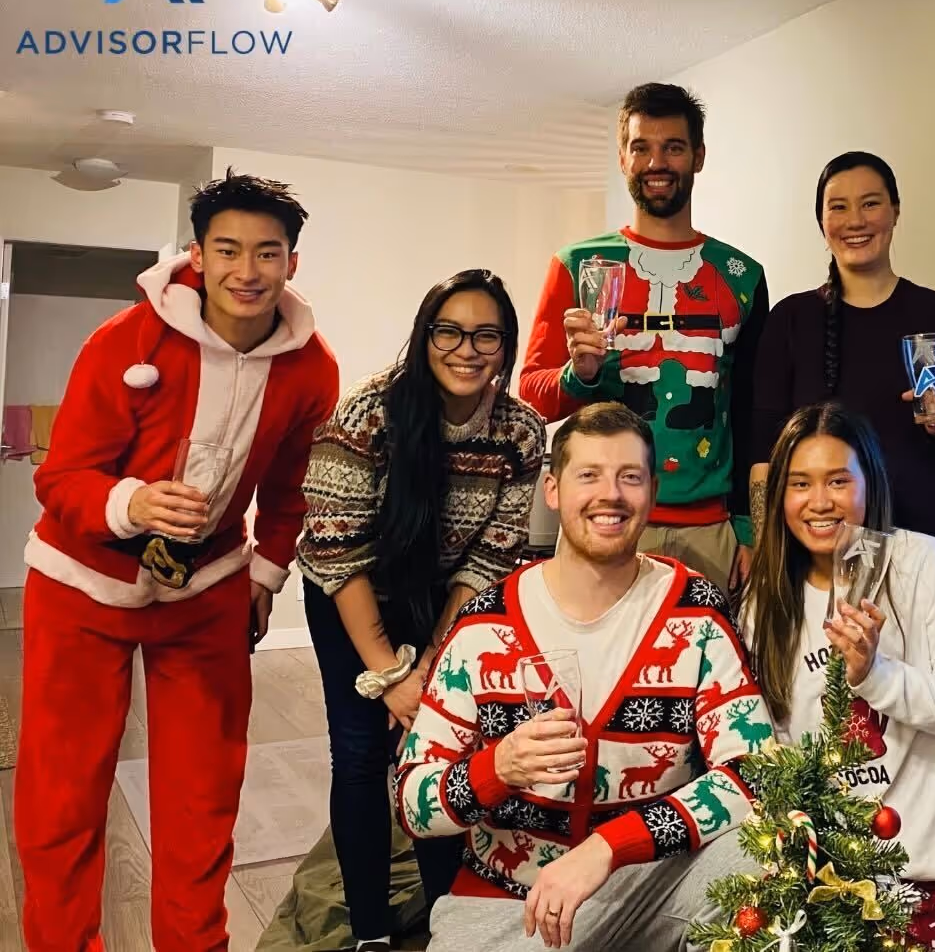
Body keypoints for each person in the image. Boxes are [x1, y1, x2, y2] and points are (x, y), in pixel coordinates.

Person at [14, 169, 339, 951]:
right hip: (77, 588)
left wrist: (265, 575)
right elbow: (59, 477)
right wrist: (131, 502)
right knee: (63, 798)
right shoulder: (122, 341)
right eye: (228, 249)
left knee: (203, 800)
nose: (247, 271)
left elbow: (295, 492)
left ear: (292, 261)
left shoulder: (312, 369)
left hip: (208, 592)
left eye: (268, 252)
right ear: (198, 252)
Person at [395, 402, 771, 951]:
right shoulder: (483, 625)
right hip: (508, 906)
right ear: (553, 490)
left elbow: (754, 772)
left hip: (647, 891)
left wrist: (609, 848)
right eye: (589, 475)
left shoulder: (696, 613)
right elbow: (411, 802)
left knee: (757, 855)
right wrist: (495, 767)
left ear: (652, 494)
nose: (610, 495)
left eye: (630, 477)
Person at [295, 270, 547, 950]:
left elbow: (488, 561)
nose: (467, 348)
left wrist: (434, 666)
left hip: (440, 601)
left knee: (442, 747)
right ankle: (369, 933)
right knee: (358, 755)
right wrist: (388, 674)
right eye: (449, 330)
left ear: (506, 344)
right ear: (425, 335)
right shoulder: (369, 413)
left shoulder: (521, 433)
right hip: (347, 590)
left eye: (486, 334)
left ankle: (449, 919)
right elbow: (338, 552)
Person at [739, 400, 935, 952]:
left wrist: (875, 673)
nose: (819, 502)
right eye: (799, 484)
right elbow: (779, 746)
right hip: (829, 886)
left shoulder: (927, 566)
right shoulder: (766, 601)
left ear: (870, 483)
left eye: (838, 480)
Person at [519, 82, 767, 593]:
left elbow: (752, 410)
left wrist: (750, 527)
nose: (657, 161)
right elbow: (532, 396)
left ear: (698, 156)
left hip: (712, 531)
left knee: (711, 669)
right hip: (605, 520)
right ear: (622, 157)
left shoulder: (741, 275)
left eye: (673, 147)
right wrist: (580, 375)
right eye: (641, 147)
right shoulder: (577, 264)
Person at [751, 152, 935, 559]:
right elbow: (764, 457)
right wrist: (766, 553)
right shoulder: (790, 321)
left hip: (927, 546)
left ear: (895, 211)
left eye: (870, 203)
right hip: (820, 552)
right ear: (822, 224)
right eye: (838, 207)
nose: (855, 221)